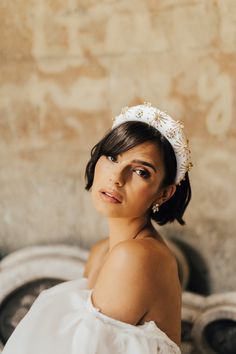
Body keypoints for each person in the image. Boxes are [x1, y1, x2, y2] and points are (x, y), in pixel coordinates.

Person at [2, 103, 192, 354]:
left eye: (140, 171)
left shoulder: (137, 256)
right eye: (113, 157)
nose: (117, 177)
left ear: (164, 193)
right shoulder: (103, 251)